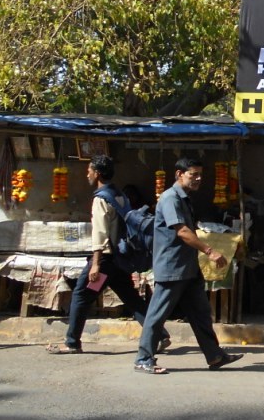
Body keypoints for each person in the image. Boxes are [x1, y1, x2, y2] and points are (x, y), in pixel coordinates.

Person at [46, 155, 169, 355]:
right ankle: (160, 335)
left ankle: (72, 342)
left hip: (105, 260)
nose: (88, 173)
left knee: (81, 296)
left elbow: (100, 233)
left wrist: (95, 264)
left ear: (98, 173)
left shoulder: (101, 198)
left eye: (90, 170)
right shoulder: (119, 195)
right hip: (119, 260)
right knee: (131, 299)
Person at [133, 157, 242, 375]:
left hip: (187, 269)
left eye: (200, 174)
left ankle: (214, 355)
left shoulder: (184, 198)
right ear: (179, 174)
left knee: (201, 313)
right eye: (193, 174)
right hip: (172, 267)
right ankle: (143, 359)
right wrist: (210, 251)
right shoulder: (170, 198)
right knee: (157, 315)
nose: (198, 179)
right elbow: (182, 231)